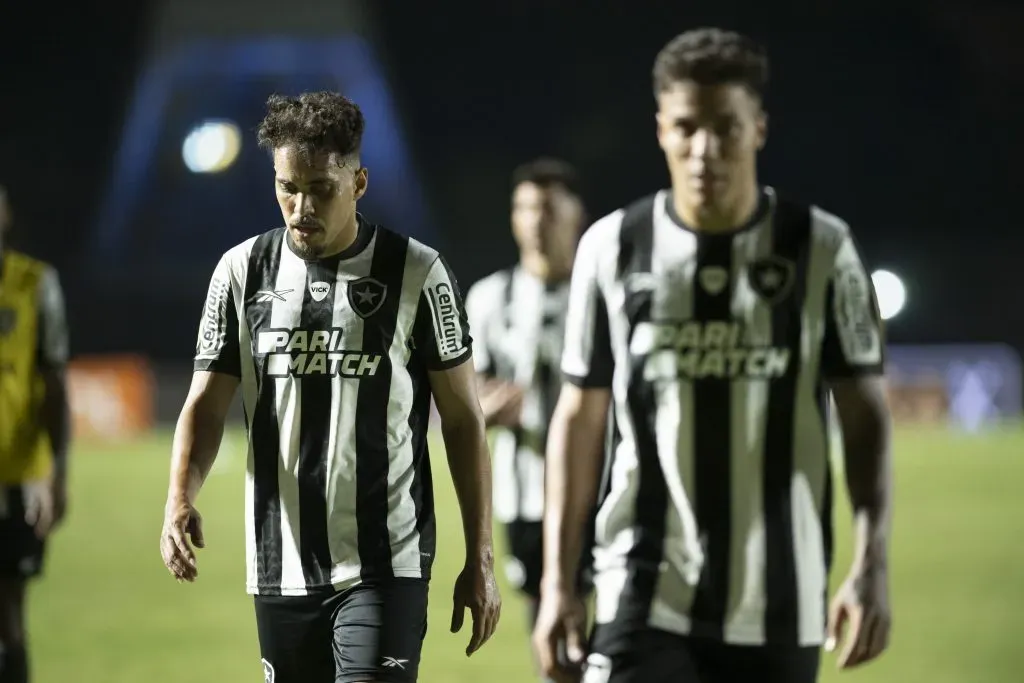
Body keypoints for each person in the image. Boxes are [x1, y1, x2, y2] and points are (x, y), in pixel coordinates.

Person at [532, 28, 894, 683]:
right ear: (661, 130)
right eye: (686, 127)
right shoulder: (611, 248)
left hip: (780, 595)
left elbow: (865, 416)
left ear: (758, 128)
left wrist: (871, 562)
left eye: (725, 128)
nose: (704, 149)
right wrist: (560, 580)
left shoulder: (822, 249)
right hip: (640, 584)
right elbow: (579, 418)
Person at [159, 91, 501, 683]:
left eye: (321, 189)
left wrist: (481, 556)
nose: (300, 206)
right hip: (280, 563)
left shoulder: (417, 273)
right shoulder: (242, 272)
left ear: (359, 182)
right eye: (287, 187)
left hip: (385, 562)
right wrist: (179, 495)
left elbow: (465, 419)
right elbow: (206, 404)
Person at [464, 159, 591, 678]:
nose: (538, 221)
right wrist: (482, 410)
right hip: (526, 494)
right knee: (551, 627)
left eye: (550, 209)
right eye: (526, 209)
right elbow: (465, 393)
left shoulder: (602, 292)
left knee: (610, 623)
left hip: (599, 487)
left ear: (577, 216)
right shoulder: (491, 298)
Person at [0, 184, 72, 683]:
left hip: (15, 478)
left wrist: (56, 475)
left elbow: (53, 386)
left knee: (9, 617)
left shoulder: (33, 284)